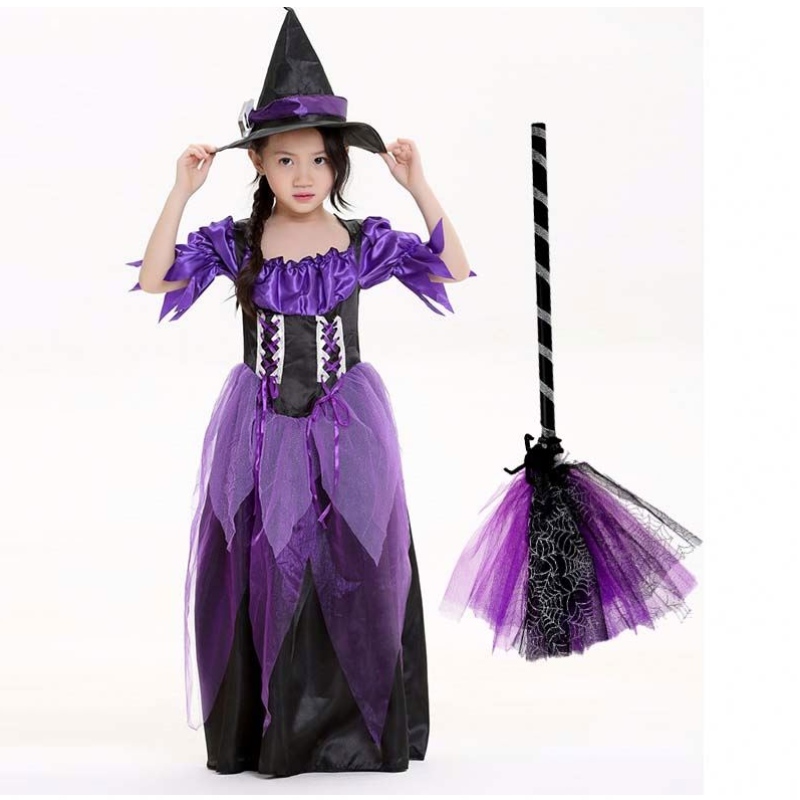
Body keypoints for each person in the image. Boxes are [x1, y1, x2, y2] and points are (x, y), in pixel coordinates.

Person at [125, 8, 475, 778]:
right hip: (261, 430)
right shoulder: (239, 242)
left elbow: (452, 267)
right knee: (264, 566)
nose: (306, 176)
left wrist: (418, 185)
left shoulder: (360, 242)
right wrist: (181, 192)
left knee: (359, 561)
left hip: (348, 426)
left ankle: (355, 728)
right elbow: (154, 278)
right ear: (259, 163)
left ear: (338, 165)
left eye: (319, 160)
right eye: (286, 160)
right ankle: (269, 728)